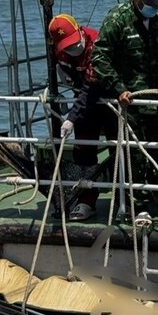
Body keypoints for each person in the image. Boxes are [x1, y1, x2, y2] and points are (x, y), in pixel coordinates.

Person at [91, 0, 158, 216]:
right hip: (130, 101)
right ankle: (137, 206)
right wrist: (118, 88)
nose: (154, 10)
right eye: (151, 5)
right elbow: (100, 58)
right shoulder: (117, 20)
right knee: (133, 155)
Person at [48, 13, 118, 221]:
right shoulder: (59, 52)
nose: (72, 48)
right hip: (84, 105)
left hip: (111, 101)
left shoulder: (98, 45)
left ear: (80, 30)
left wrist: (71, 118)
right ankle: (86, 200)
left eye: (73, 42)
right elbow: (71, 81)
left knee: (119, 150)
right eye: (66, 46)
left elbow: (91, 86)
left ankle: (124, 199)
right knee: (83, 151)